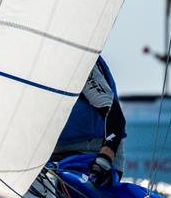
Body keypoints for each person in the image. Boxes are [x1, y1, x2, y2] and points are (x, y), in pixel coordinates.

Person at [51, 56, 126, 187]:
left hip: (95, 154)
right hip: (52, 156)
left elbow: (115, 117)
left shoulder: (79, 63)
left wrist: (104, 160)